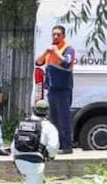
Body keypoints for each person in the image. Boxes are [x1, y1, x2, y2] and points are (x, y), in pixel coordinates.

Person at [9, 99, 59, 184]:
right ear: (47, 112)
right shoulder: (48, 126)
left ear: (33, 109)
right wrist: (49, 156)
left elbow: (14, 145)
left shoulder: (23, 124)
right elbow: (53, 147)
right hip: (34, 163)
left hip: (19, 160)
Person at [35, 24, 75, 154]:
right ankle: (56, 145)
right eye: (54, 34)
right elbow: (38, 62)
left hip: (63, 88)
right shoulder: (50, 50)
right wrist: (47, 51)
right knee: (54, 119)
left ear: (63, 36)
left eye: (58, 34)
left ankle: (67, 146)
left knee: (64, 119)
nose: (55, 36)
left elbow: (66, 63)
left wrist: (55, 51)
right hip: (52, 89)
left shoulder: (68, 48)